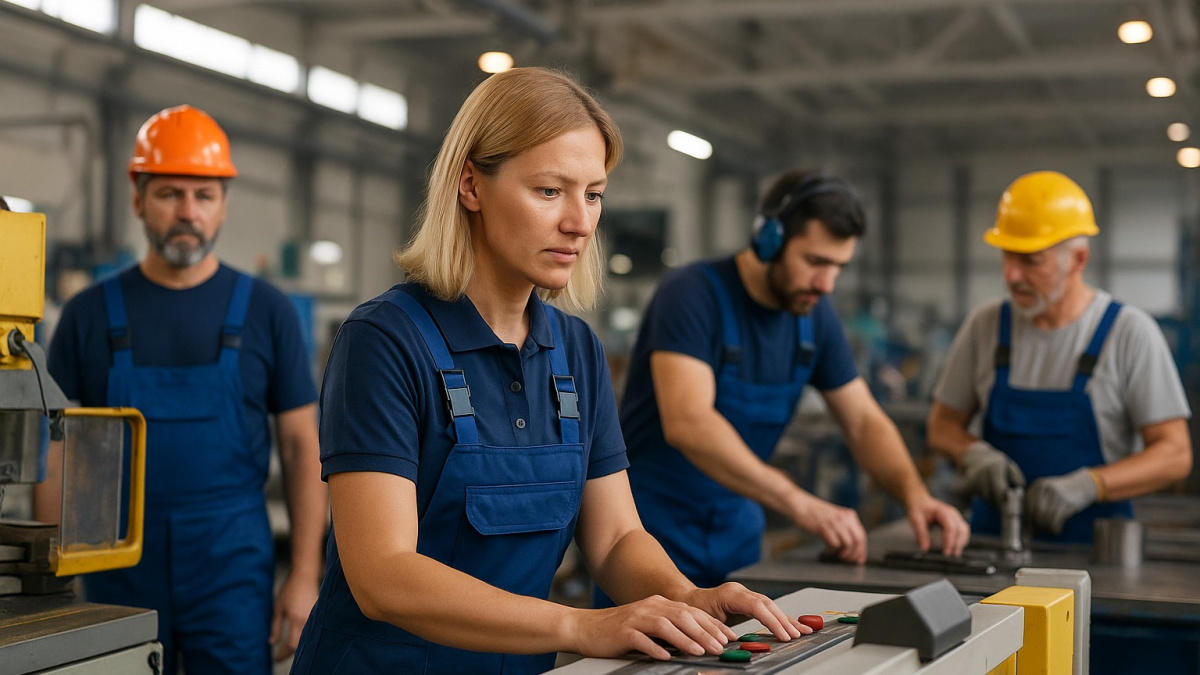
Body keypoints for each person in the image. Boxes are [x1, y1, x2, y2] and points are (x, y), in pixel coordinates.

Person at [289, 67, 810, 675]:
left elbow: (615, 538)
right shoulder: (383, 341)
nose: (580, 223)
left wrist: (685, 597)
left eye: (593, 195)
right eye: (549, 191)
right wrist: (579, 626)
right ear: (470, 185)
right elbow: (382, 575)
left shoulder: (576, 351)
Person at [38, 105, 327, 673]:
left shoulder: (267, 312)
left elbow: (301, 447)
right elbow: (57, 451)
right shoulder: (87, 315)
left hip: (231, 565)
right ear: (137, 198)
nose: (188, 212)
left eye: (204, 195)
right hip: (113, 562)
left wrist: (303, 574)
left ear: (224, 205)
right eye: (170, 194)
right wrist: (50, 578)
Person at [614, 169, 969, 594]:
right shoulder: (691, 294)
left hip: (737, 535)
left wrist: (916, 496)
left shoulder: (815, 317)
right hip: (651, 537)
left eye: (838, 267)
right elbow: (689, 422)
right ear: (770, 239)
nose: (827, 284)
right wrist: (800, 502)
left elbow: (863, 421)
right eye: (816, 262)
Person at [927, 171, 1192, 542]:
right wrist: (973, 453)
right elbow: (941, 426)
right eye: (1007, 255)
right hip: (993, 545)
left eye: (1031, 260)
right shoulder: (985, 326)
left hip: (1097, 554)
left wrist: (1091, 484)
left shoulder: (1128, 333)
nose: (1011, 275)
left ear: (1078, 260)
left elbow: (1175, 454)